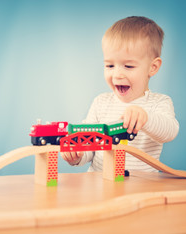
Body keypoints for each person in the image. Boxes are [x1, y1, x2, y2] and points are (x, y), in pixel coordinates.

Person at [61, 16, 179, 172]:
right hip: (100, 184)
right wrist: (78, 154)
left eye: (128, 66)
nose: (117, 74)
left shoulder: (159, 103)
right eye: (110, 65)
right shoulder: (101, 102)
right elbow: (90, 144)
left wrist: (146, 118)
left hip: (141, 188)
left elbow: (170, 132)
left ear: (153, 67)